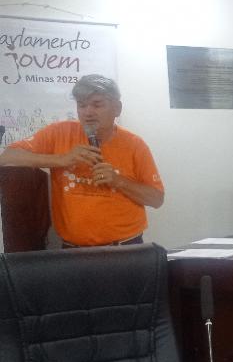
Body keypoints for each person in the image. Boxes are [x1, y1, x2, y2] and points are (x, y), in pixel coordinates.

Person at [0, 74, 164, 247]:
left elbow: (156, 199)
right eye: (82, 105)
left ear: (117, 108)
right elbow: (6, 157)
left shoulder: (135, 145)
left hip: (125, 248)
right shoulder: (59, 132)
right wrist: (61, 159)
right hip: (72, 249)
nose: (88, 112)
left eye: (97, 104)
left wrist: (118, 181)